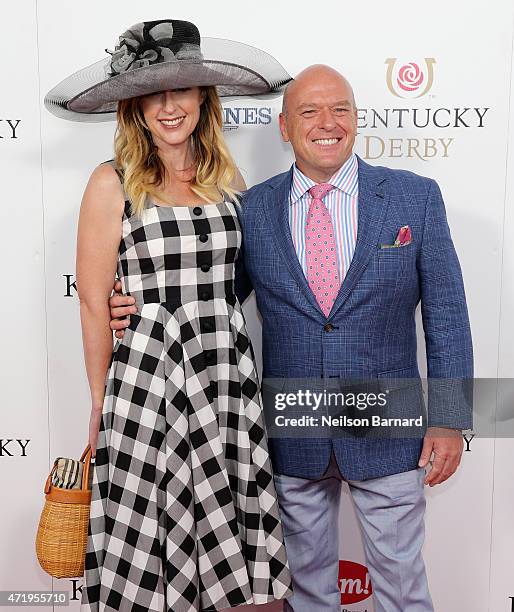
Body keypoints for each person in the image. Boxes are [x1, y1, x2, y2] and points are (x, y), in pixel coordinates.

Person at [110, 64, 473, 611]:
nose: (327, 123)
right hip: (291, 429)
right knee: (305, 591)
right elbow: (213, 291)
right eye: (309, 111)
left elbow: (446, 315)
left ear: (356, 119)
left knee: (402, 589)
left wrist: (448, 419)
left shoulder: (412, 198)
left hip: (389, 426)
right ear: (284, 127)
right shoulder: (252, 208)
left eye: (340, 110)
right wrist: (135, 303)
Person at [45, 19, 292, 612]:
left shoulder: (228, 181)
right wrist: (102, 406)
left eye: (180, 89)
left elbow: (241, 281)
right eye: (153, 93)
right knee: (151, 541)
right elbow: (92, 301)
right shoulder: (112, 183)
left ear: (202, 98)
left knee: (239, 550)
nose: (168, 105)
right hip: (148, 382)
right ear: (134, 107)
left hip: (225, 375)